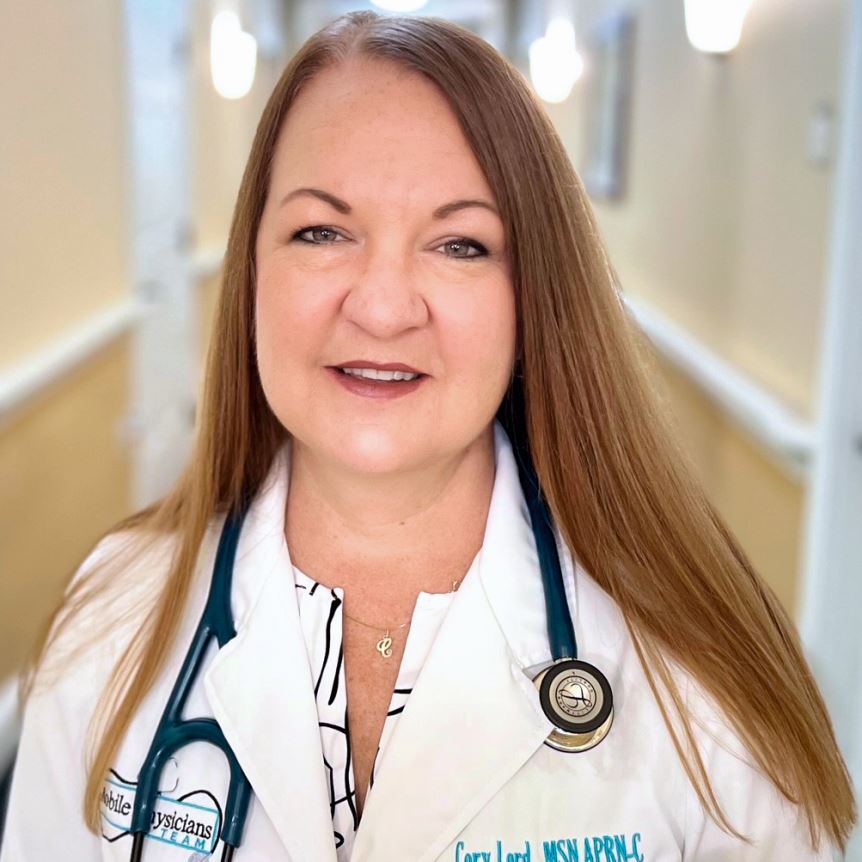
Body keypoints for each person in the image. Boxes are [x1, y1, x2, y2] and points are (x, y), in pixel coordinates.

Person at [1, 10, 856, 861]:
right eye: (322, 231)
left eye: (459, 245)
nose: (382, 308)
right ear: (253, 268)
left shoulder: (702, 679)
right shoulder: (111, 614)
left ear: (534, 297)